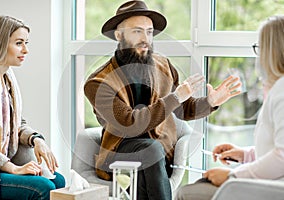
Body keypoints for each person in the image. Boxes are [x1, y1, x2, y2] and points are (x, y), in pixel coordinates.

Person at [84, 1, 241, 200]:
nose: (145, 39)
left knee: (149, 163)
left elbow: (184, 108)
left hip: (158, 153)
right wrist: (175, 97)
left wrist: (210, 101)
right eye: (137, 32)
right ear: (118, 35)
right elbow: (128, 123)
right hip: (120, 152)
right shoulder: (97, 83)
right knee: (151, 149)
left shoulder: (163, 65)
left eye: (149, 32)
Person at [175, 15, 284, 200]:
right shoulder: (277, 88)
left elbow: (282, 158)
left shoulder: (282, 90)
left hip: (273, 189)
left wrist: (232, 176)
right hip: (270, 183)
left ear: (273, 51)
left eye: (260, 48)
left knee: (186, 194)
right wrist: (245, 154)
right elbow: (276, 148)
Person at [0, 15, 65, 199]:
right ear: (0, 43)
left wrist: (37, 140)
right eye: (19, 43)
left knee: (58, 181)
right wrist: (13, 168)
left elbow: (16, 123)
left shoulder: (6, 79)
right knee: (42, 187)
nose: (26, 50)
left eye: (26, 42)